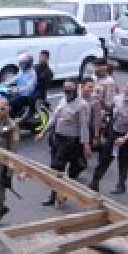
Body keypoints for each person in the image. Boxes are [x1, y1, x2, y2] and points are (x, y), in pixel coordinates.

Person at [39, 79, 90, 208]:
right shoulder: (63, 100)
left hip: (71, 143)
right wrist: (43, 132)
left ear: (76, 88)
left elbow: (84, 126)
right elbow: (54, 118)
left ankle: (62, 194)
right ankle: (54, 195)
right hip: (58, 139)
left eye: (70, 88)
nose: (67, 91)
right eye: (65, 88)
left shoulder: (82, 105)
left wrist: (86, 145)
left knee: (61, 168)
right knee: (55, 169)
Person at [91, 80, 128, 194]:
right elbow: (110, 110)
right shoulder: (117, 99)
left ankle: (121, 184)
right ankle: (95, 182)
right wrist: (101, 102)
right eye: (127, 87)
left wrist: (125, 138)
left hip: (126, 137)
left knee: (124, 162)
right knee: (104, 159)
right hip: (113, 133)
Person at [9, 52, 39, 122]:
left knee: (12, 102)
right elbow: (16, 78)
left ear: (28, 63)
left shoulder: (32, 74)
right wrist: (5, 84)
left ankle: (13, 120)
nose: (21, 65)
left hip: (26, 95)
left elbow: (28, 87)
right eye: (20, 63)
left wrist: (17, 89)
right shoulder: (22, 71)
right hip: (19, 93)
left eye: (23, 63)